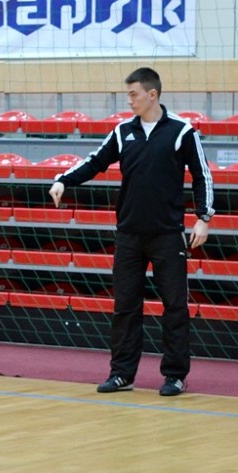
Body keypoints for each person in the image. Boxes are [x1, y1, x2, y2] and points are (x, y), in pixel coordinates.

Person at [48, 67, 214, 397]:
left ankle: (175, 375)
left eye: (133, 94)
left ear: (152, 95)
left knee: (175, 306)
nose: (129, 100)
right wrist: (63, 180)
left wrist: (203, 218)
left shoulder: (182, 131)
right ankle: (122, 374)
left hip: (168, 235)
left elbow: (202, 175)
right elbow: (95, 161)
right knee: (125, 306)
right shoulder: (123, 131)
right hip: (128, 235)